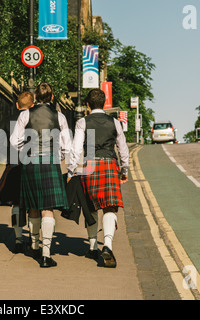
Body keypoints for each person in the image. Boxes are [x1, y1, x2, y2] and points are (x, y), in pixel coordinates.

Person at [10, 82, 71, 268]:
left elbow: (14, 141)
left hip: (30, 162)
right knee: (48, 208)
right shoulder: (59, 117)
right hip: (50, 162)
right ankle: (45, 254)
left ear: (35, 97)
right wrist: (56, 157)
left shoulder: (25, 114)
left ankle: (34, 246)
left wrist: (26, 153)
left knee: (33, 206)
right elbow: (66, 145)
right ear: (52, 98)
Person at [67, 88, 129, 268]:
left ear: (87, 104)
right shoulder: (115, 122)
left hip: (90, 165)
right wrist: (124, 170)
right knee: (110, 207)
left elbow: (76, 149)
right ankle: (107, 245)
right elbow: (123, 149)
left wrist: (72, 171)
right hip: (109, 163)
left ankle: (93, 247)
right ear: (104, 103)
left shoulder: (82, 122)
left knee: (90, 205)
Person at [0, 91, 35, 253]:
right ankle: (34, 238)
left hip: (14, 163)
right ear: (32, 105)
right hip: (32, 162)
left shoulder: (8, 119)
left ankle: (18, 240)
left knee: (16, 202)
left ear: (17, 105)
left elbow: (1, 143)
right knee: (32, 203)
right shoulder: (35, 117)